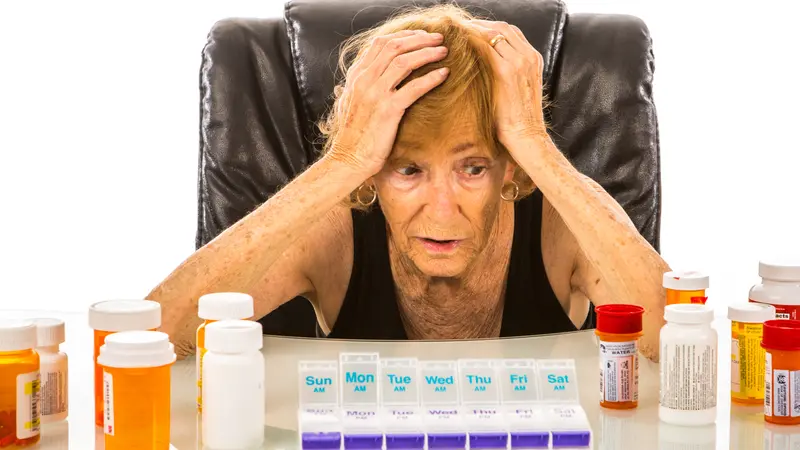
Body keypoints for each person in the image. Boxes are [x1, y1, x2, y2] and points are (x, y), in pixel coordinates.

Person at [149, 5, 669, 361]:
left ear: (509, 169)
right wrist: (345, 159)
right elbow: (156, 339)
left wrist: (532, 141)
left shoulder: (560, 230)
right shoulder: (334, 234)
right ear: (374, 172)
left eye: (473, 168)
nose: (441, 213)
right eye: (408, 169)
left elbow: (674, 344)